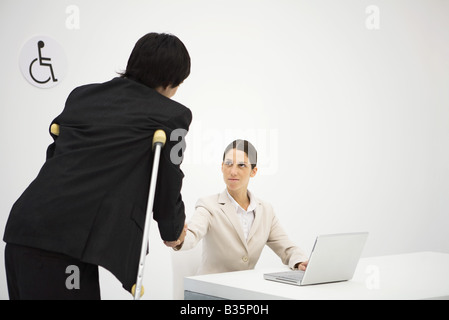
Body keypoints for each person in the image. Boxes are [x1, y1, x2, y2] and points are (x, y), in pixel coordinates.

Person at [3, 32, 191, 299]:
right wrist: (173, 232)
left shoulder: (83, 96)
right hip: (63, 248)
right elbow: (169, 178)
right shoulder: (171, 115)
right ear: (172, 80)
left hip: (22, 231)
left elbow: (57, 155)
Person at [171, 140, 308, 274]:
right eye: (229, 164)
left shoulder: (266, 211)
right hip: (211, 290)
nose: (233, 172)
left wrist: (300, 261)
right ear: (222, 167)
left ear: (253, 171)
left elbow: (286, 248)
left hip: (244, 289)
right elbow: (192, 233)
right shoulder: (208, 205)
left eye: (241, 165)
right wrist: (179, 238)